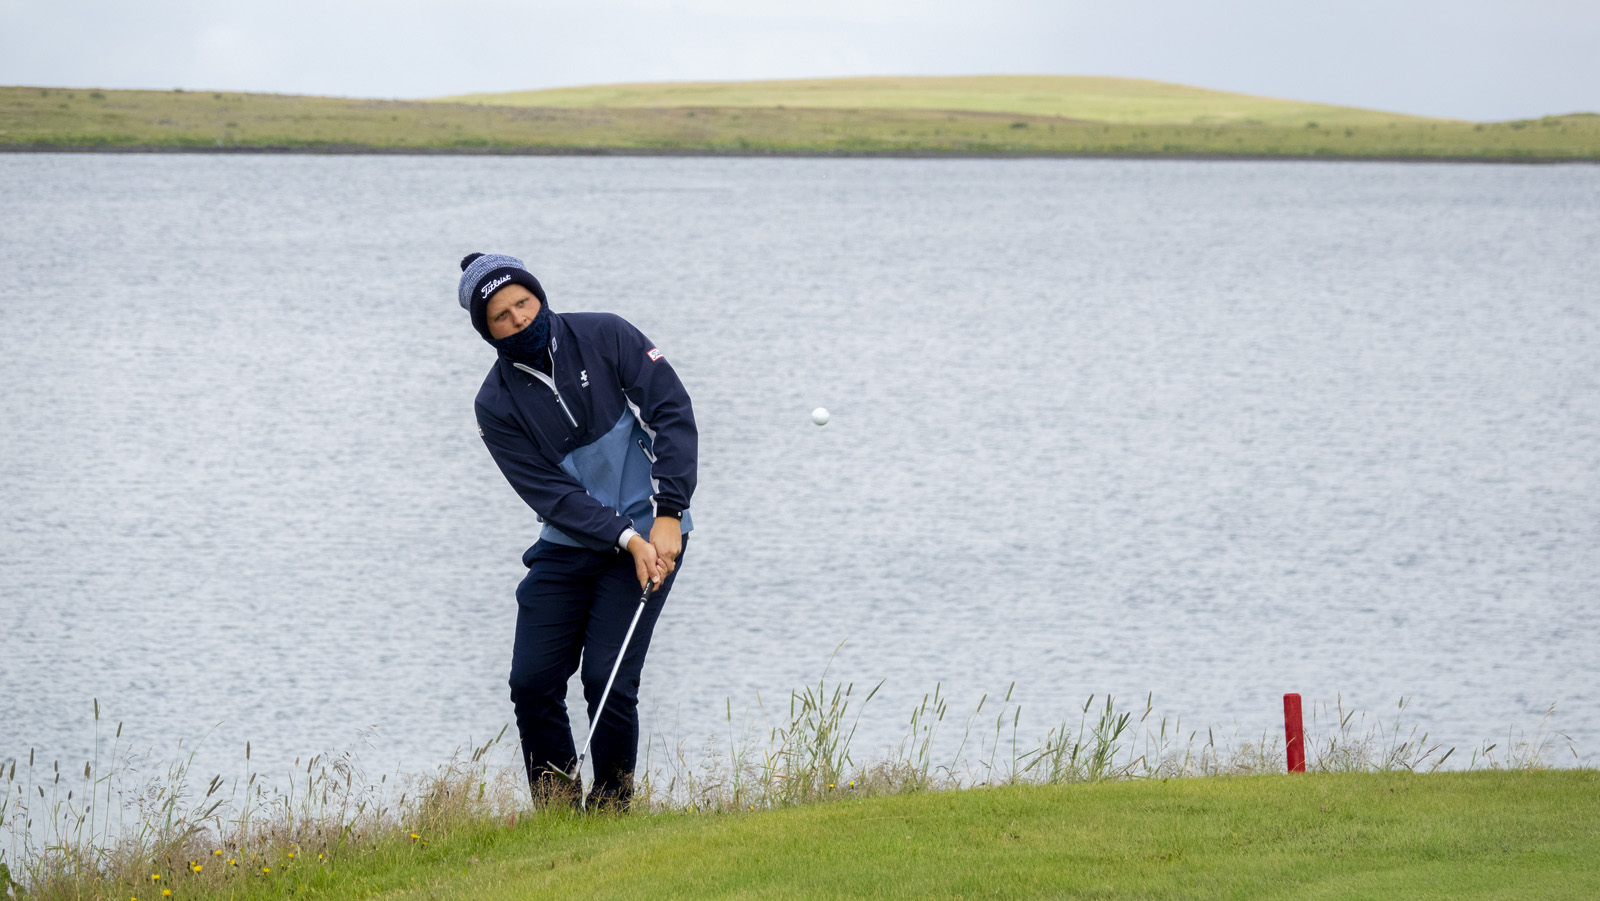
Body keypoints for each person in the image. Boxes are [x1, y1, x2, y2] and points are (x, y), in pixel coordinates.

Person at [458, 251, 697, 810]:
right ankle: (558, 812)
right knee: (532, 682)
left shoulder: (605, 335)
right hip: (571, 544)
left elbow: (672, 409)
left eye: (524, 302)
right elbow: (550, 494)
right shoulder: (495, 403)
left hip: (652, 531)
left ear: (539, 296)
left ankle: (612, 810)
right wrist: (624, 538)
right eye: (501, 315)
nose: (518, 318)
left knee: (608, 678)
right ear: (486, 330)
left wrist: (668, 513)